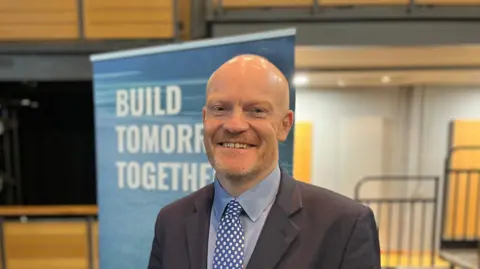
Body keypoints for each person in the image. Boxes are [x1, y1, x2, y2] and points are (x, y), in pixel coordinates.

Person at [147, 54, 381, 269]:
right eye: (220, 108)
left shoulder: (344, 226)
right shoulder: (172, 221)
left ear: (285, 125)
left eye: (256, 111)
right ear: (205, 118)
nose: (234, 125)